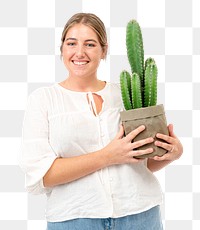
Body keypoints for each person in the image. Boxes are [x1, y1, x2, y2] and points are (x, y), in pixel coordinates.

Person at [20, 13, 183, 230]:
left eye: (90, 44)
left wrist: (172, 153)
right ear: (62, 48)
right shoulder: (43, 100)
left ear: (103, 50)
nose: (80, 52)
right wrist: (107, 156)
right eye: (71, 43)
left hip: (140, 215)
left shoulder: (126, 93)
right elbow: (43, 175)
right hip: (75, 219)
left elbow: (141, 163)